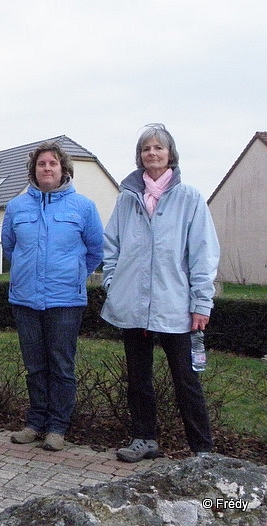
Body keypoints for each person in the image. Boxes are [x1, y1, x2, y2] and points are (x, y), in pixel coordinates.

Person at [101, 123, 220, 462]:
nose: (151, 153)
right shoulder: (127, 199)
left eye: (158, 148)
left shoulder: (190, 198)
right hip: (133, 308)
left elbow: (203, 254)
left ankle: (202, 449)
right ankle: (144, 439)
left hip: (176, 307)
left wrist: (201, 303)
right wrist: (113, 285)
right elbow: (111, 247)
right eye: (145, 149)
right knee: (138, 379)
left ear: (171, 154)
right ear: (139, 156)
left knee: (186, 381)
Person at [2, 142, 103, 451]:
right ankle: (35, 423)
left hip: (65, 301)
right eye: (41, 164)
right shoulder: (16, 207)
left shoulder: (83, 207)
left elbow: (96, 250)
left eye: (53, 164)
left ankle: (57, 428)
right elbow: (10, 247)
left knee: (61, 366)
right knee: (35, 366)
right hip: (26, 300)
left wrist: (72, 275)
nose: (47, 168)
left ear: (63, 170)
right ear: (34, 169)